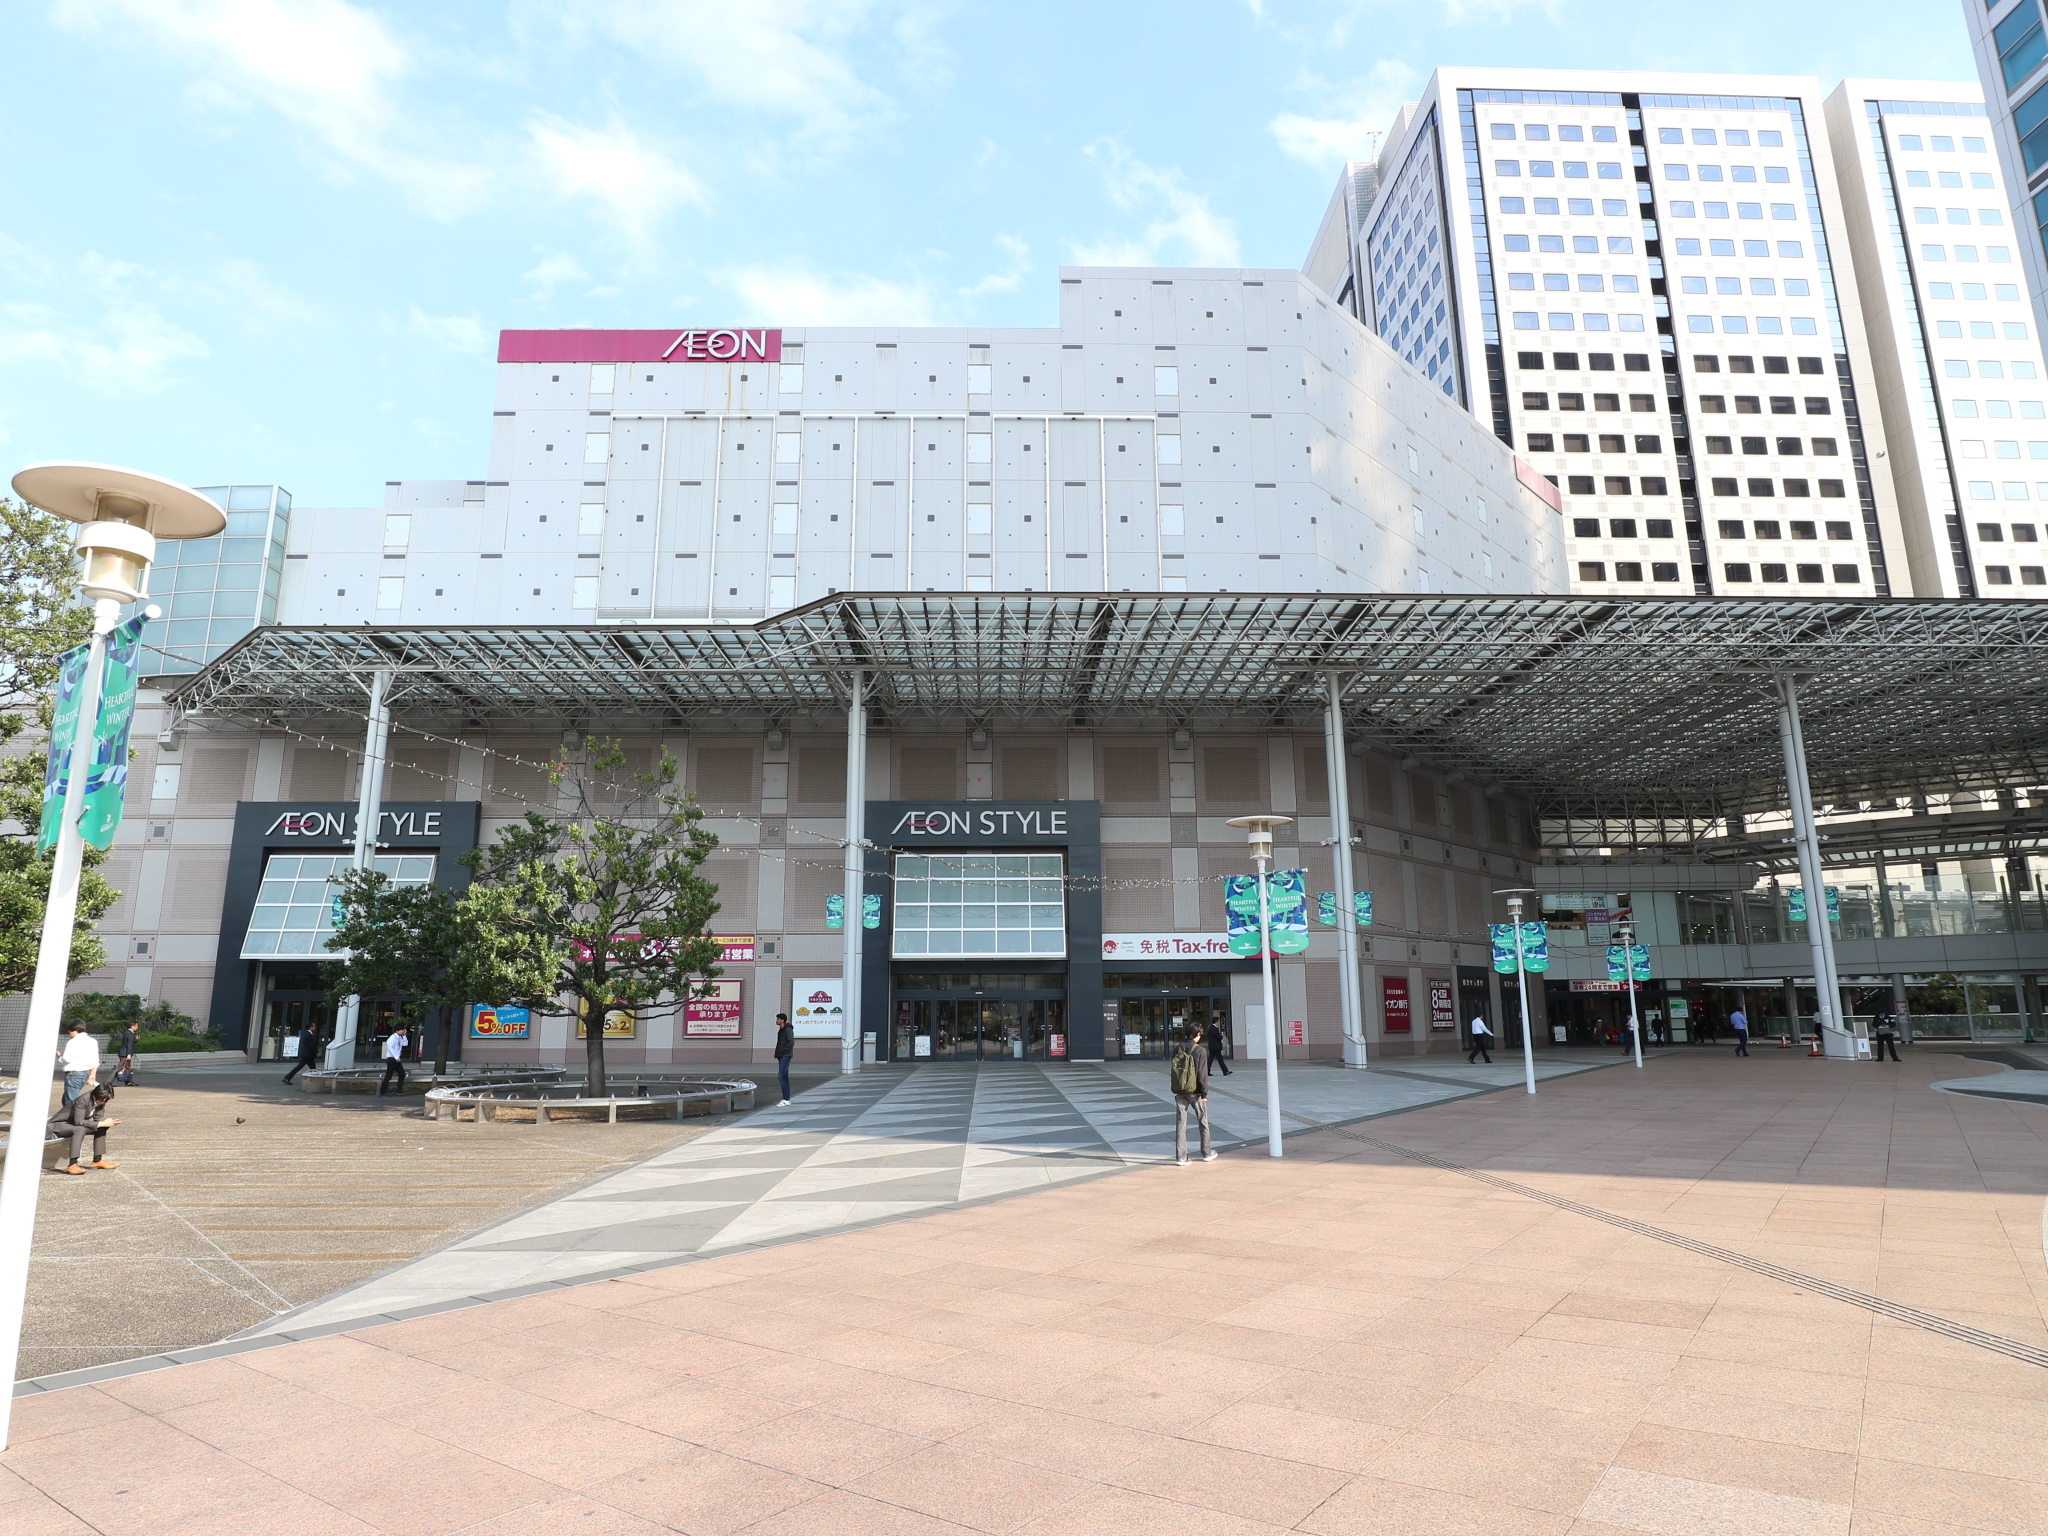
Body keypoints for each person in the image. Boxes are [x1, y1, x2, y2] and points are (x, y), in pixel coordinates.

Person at [47, 1084, 121, 1175]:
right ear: (95, 1096)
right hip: (59, 1125)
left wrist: (108, 1123)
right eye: (103, 1100)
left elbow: (98, 1120)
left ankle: (97, 1160)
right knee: (80, 1129)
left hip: (73, 1124)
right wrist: (101, 1123)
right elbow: (79, 1121)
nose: (104, 1103)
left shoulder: (100, 1102)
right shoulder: (83, 1100)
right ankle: (72, 1164)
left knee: (101, 1127)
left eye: (107, 1100)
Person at [1168, 1023, 1214, 1166]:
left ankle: (1181, 1157)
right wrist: (1204, 1094)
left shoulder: (1178, 1048)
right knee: (1203, 1121)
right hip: (1195, 1092)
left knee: (1180, 1124)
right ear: (1198, 1034)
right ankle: (1206, 1153)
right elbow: (1202, 1074)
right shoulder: (1200, 1050)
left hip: (1180, 1090)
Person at [58, 1022, 99, 1106]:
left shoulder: (72, 1042)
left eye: (69, 1031)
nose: (69, 1034)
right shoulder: (93, 1041)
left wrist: (59, 1056)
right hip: (86, 1073)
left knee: (70, 1101)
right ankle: (68, 1112)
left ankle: (73, 1113)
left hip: (73, 1074)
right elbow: (95, 1059)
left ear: (75, 1030)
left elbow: (67, 1058)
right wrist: (93, 1073)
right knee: (67, 1098)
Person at [377, 1024, 409, 1095]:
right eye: (402, 1030)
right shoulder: (392, 1038)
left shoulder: (400, 1037)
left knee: (402, 1074)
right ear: (397, 1030)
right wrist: (396, 1057)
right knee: (388, 1076)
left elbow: (405, 1044)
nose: (403, 1031)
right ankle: (382, 1092)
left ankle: (399, 1090)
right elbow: (390, 1048)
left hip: (396, 1059)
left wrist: (404, 1036)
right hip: (392, 1059)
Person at [773, 1012, 794, 1105]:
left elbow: (791, 1042)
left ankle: (786, 1099)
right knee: (784, 1077)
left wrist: (783, 1051)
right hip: (782, 1056)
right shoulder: (781, 1030)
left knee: (781, 1077)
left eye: (778, 1019)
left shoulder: (787, 1029)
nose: (776, 1021)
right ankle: (786, 1098)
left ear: (782, 1020)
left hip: (785, 1055)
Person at [115, 1021, 138, 1085]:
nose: (137, 1027)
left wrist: (136, 1040)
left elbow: (130, 1042)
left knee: (127, 1067)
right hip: (125, 1053)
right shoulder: (130, 1033)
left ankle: (128, 1081)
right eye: (136, 1026)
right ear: (132, 1026)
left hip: (124, 1052)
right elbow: (129, 1045)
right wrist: (129, 1054)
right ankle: (108, 1082)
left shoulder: (127, 1032)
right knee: (120, 1068)